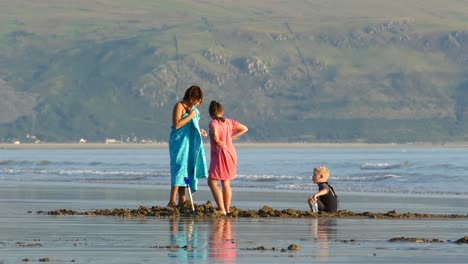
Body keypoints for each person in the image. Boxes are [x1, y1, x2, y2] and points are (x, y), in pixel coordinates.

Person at [167, 85, 208, 208]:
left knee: (187, 168)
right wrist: (190, 115)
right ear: (191, 98)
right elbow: (177, 125)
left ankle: (182, 200)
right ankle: (172, 201)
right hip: (178, 142)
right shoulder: (179, 106)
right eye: (198, 100)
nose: (199, 103)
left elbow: (192, 126)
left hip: (189, 142)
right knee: (179, 168)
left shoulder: (194, 109)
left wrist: (200, 131)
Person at [207, 100, 248, 215]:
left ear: (211, 113)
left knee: (212, 182)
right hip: (231, 152)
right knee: (226, 182)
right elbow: (244, 128)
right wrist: (231, 138)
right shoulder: (229, 122)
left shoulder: (213, 123)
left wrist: (217, 140)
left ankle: (221, 208)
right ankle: (227, 209)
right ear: (222, 111)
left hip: (220, 153)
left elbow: (214, 133)